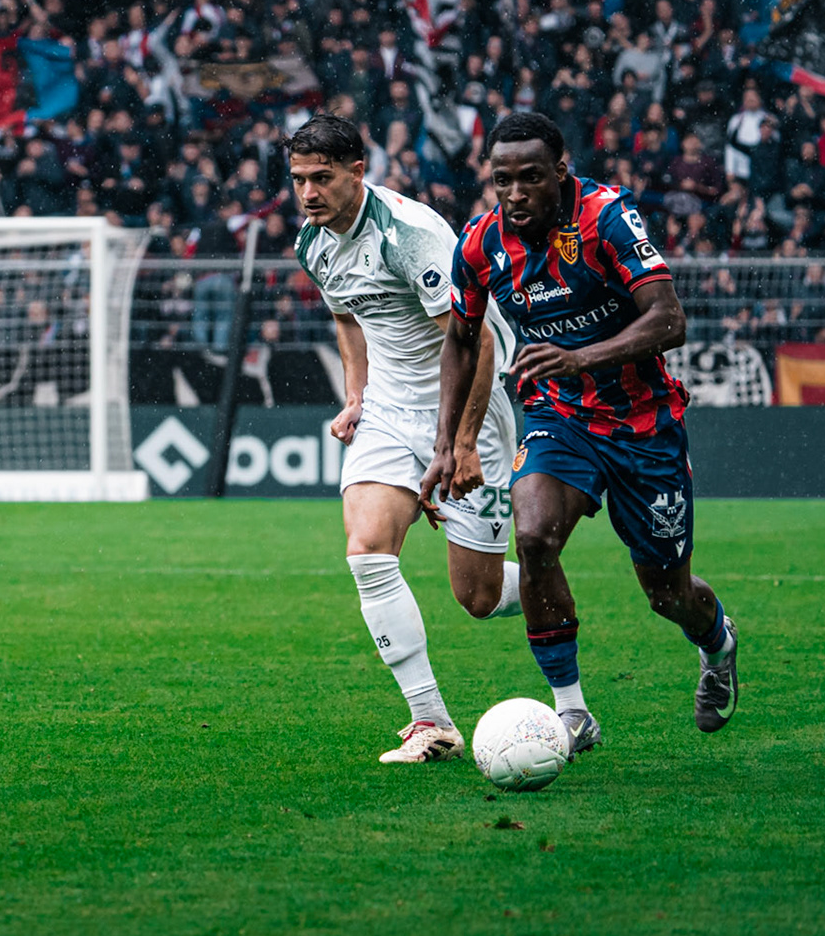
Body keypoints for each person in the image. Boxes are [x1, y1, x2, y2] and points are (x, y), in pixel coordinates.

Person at [423, 113, 738, 754]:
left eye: (531, 178)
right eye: (502, 180)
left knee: (668, 594)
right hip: (556, 414)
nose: (515, 194)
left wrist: (582, 357)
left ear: (560, 172)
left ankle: (719, 643)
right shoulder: (480, 244)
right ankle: (571, 711)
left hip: (643, 424)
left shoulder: (607, 218)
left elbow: (669, 320)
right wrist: (444, 445)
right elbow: (459, 338)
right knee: (534, 536)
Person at [288, 113, 520, 767]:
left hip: (467, 403)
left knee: (475, 597)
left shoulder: (411, 237)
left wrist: (463, 441)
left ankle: (545, 585)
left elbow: (478, 342)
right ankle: (431, 721)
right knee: (366, 549)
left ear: (357, 171)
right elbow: (348, 318)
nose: (309, 192)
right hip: (390, 408)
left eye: (322, 178)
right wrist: (357, 396)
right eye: (299, 179)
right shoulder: (314, 242)